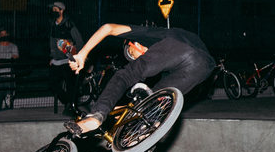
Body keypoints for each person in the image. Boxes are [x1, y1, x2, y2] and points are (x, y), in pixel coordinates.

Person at [67, 22, 214, 134]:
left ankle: (96, 115)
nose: (135, 59)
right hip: (204, 68)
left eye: (132, 54)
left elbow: (108, 28)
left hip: (177, 45)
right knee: (157, 97)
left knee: (125, 75)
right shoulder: (163, 62)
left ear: (136, 44)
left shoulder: (147, 34)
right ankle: (145, 132)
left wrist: (82, 53)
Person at [48, 1, 84, 114]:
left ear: (61, 10)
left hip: (67, 60)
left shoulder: (69, 24)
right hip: (56, 61)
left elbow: (79, 40)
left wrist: (78, 54)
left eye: (56, 10)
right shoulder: (53, 24)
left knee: (70, 85)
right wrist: (52, 57)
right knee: (51, 83)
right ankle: (68, 102)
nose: (53, 11)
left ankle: (70, 107)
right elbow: (52, 42)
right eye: (53, 10)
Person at [0, 28, 19, 111]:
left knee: (9, 102)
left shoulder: (13, 47)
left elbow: (15, 60)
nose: (4, 36)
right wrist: (9, 60)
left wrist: (2, 61)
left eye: (5, 34)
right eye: (2, 34)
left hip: (10, 76)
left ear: (8, 35)